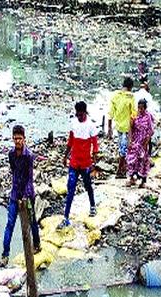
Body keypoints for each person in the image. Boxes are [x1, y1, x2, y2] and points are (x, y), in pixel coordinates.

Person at [0, 125, 41, 268]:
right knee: (10, 224)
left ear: (24, 139)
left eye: (20, 139)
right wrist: (16, 196)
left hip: (27, 194)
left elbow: (29, 177)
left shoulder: (28, 155)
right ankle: (5, 255)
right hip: (14, 193)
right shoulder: (11, 154)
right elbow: (14, 171)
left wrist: (24, 196)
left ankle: (37, 244)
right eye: (15, 139)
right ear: (12, 138)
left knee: (32, 221)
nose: (17, 141)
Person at [57, 101, 99, 229]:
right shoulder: (74, 123)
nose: (79, 117)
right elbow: (70, 141)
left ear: (85, 113)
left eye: (81, 115)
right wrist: (65, 156)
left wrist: (94, 163)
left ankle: (92, 205)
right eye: (77, 114)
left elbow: (95, 145)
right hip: (74, 163)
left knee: (88, 186)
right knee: (71, 188)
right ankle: (66, 217)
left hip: (86, 163)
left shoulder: (91, 125)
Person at [108, 77, 137, 178]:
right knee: (124, 149)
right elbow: (134, 114)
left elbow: (110, 113)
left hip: (118, 127)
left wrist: (109, 129)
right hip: (128, 128)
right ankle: (119, 171)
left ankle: (122, 170)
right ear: (131, 87)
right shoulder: (131, 97)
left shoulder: (115, 96)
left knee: (122, 148)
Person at [126, 99, 154, 188]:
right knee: (132, 160)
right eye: (139, 108)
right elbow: (130, 128)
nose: (140, 110)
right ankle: (131, 178)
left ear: (145, 108)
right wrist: (130, 141)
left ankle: (143, 181)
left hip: (144, 142)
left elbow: (151, 131)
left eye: (142, 108)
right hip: (135, 141)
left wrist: (146, 143)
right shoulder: (134, 115)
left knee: (143, 161)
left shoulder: (148, 116)